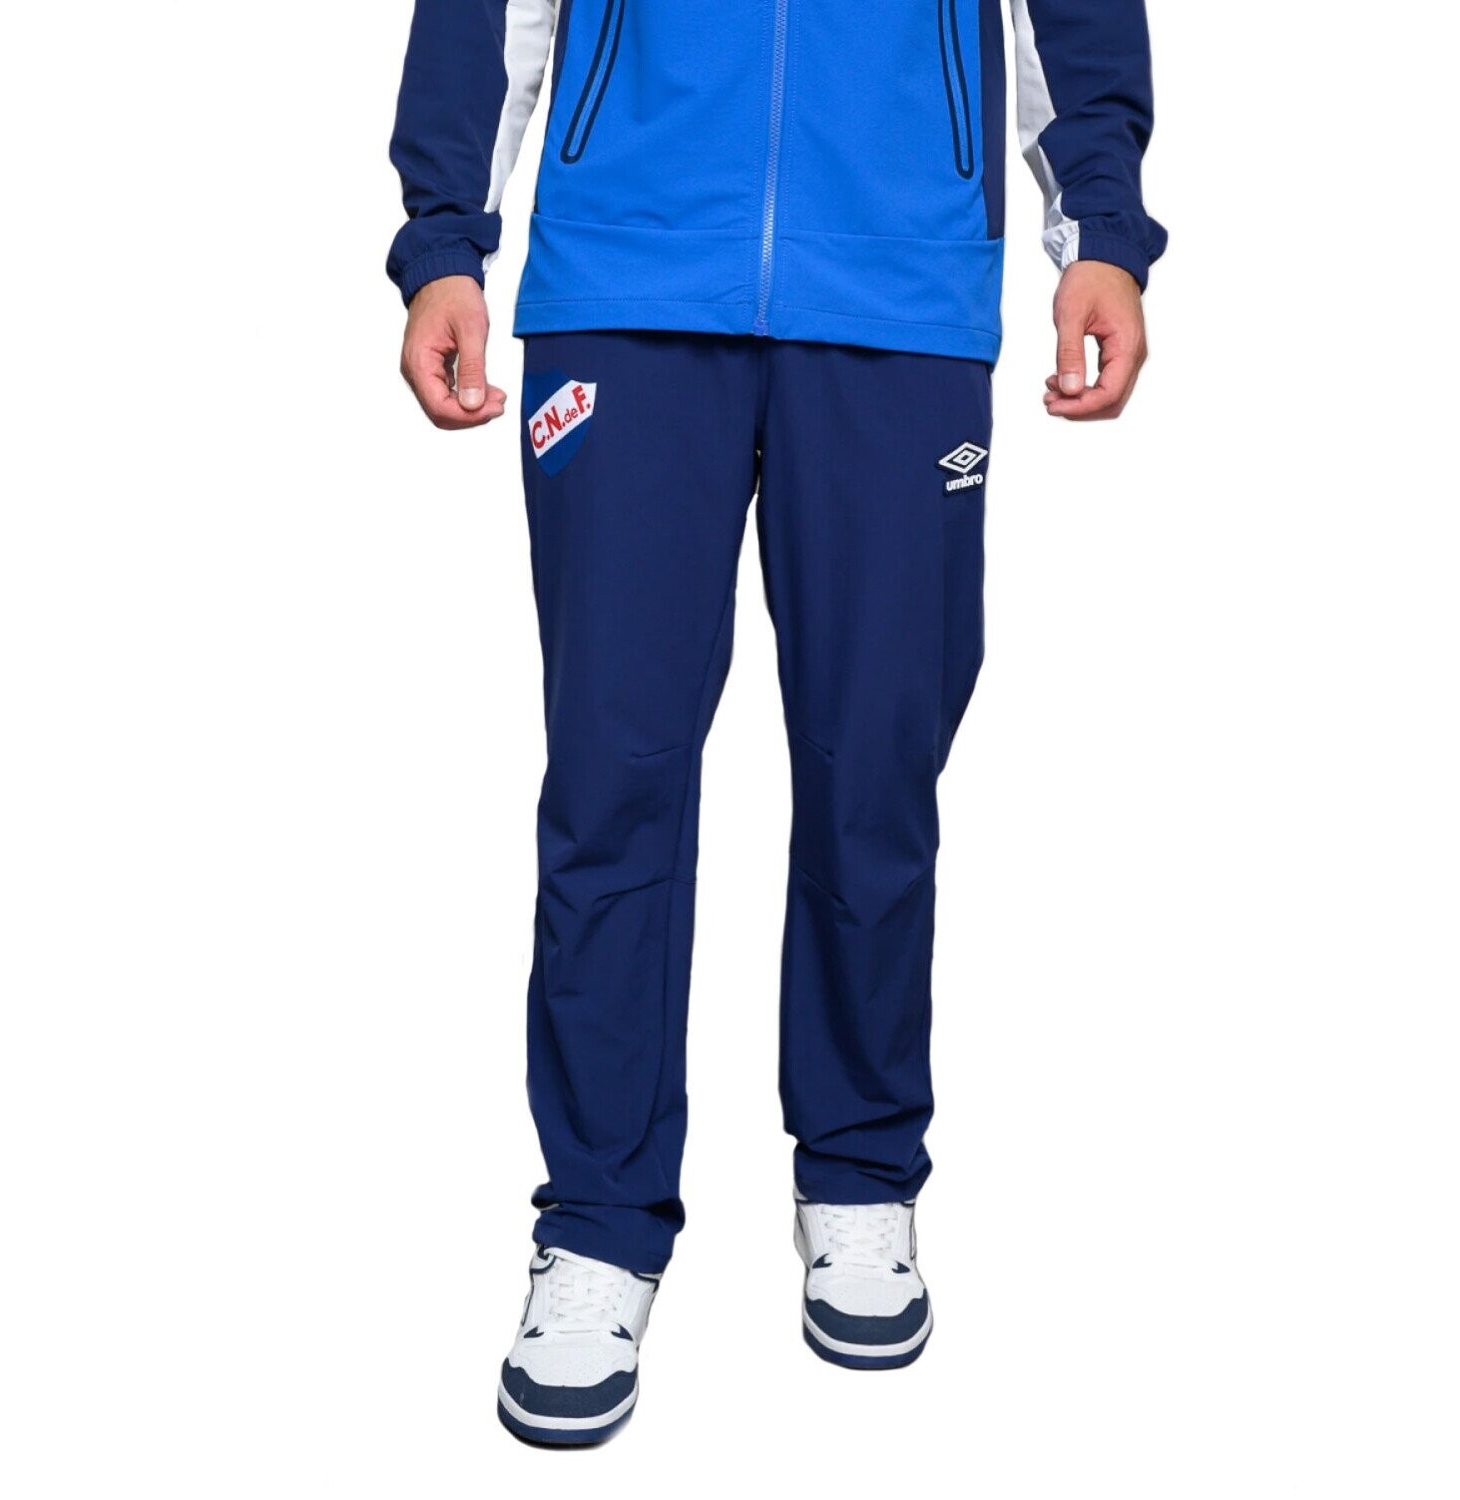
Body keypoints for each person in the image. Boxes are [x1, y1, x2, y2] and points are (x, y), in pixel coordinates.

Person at [388, 0, 1165, 1446]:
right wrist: (446, 240)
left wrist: (1101, 231)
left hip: (899, 278)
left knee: (877, 763)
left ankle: (860, 1174)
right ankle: (599, 1220)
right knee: (613, 776)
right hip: (625, 271)